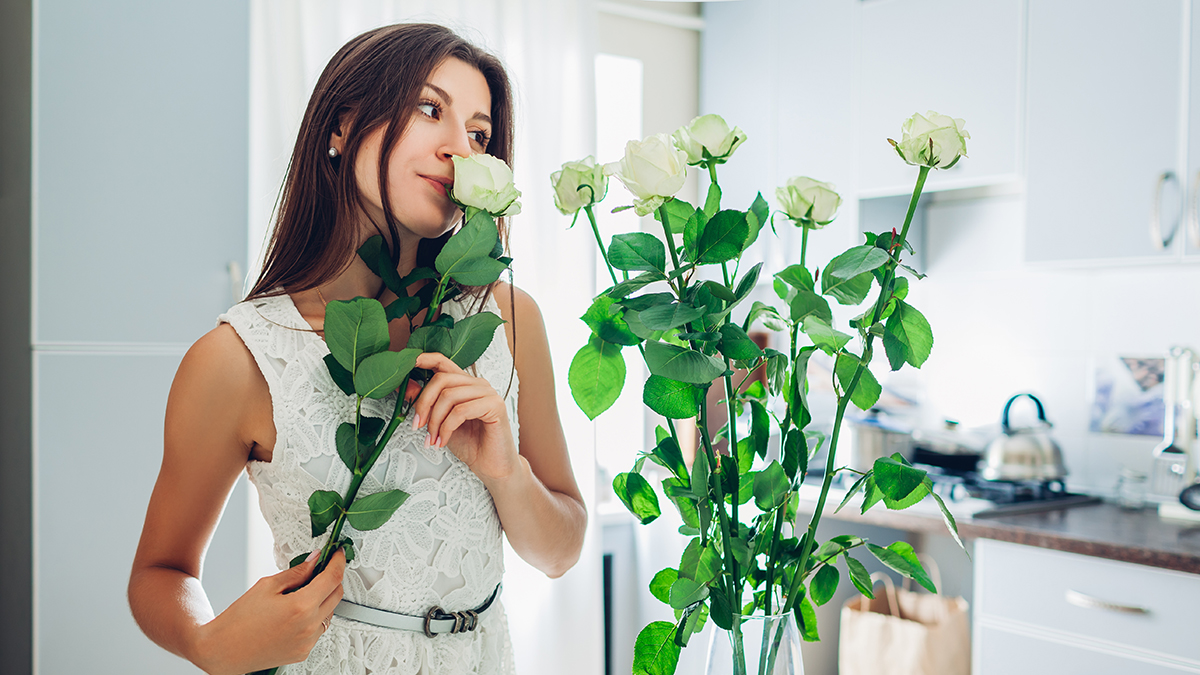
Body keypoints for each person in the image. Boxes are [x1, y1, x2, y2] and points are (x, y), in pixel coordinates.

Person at [128, 23, 586, 675]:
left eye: (480, 134)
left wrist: (506, 471)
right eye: (431, 108)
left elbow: (561, 550)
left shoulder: (507, 319)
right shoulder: (239, 359)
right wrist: (209, 642)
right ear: (342, 126)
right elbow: (157, 571)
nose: (461, 148)